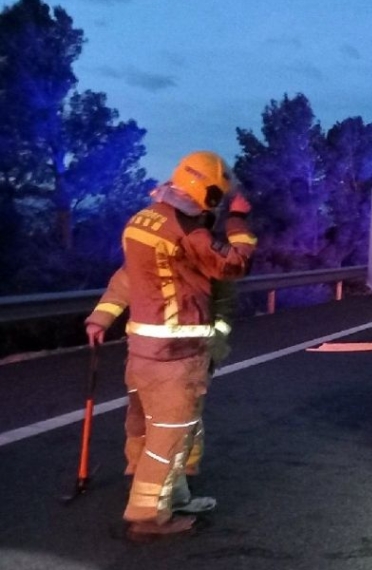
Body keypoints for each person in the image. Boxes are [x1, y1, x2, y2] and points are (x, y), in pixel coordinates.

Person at [85, 150, 256, 538]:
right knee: (169, 437)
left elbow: (128, 276)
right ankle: (148, 516)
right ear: (209, 193)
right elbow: (233, 265)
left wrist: (101, 316)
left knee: (153, 428)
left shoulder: (144, 221)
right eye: (218, 198)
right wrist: (239, 221)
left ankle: (172, 495)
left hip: (142, 353)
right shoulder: (187, 230)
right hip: (175, 356)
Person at [86, 272, 238, 486]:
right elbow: (122, 286)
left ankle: (184, 469)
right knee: (139, 414)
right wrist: (100, 320)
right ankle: (138, 466)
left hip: (189, 356)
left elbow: (224, 304)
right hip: (144, 355)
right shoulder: (144, 256)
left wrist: (214, 344)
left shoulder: (207, 259)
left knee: (182, 415)